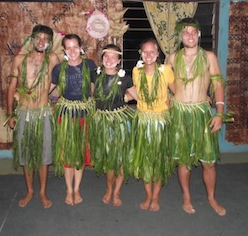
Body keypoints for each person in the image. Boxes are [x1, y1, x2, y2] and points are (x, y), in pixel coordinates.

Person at [167, 17, 227, 216]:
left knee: (208, 161)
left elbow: (217, 84)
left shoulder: (209, 57)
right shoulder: (172, 58)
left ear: (199, 34)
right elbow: (165, 83)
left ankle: (211, 197)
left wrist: (219, 112)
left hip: (202, 113)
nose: (190, 36)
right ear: (180, 35)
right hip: (180, 114)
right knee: (183, 160)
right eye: (186, 32)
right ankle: (186, 196)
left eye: (193, 32)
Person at [7, 24, 59, 209]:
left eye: (45, 38)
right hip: (24, 113)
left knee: (44, 156)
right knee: (27, 155)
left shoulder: (53, 59)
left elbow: (61, 81)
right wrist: (11, 114)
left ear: (50, 42)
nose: (41, 41)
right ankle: (29, 190)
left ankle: (42, 192)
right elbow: (12, 87)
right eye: (38, 37)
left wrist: (52, 98)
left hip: (43, 113)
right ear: (32, 38)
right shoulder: (20, 59)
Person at [130, 38, 175, 212]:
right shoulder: (136, 71)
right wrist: (134, 98)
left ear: (158, 54)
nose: (148, 55)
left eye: (152, 51)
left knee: (158, 160)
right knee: (146, 159)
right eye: (145, 51)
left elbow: (176, 91)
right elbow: (134, 89)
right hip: (143, 120)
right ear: (141, 54)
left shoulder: (166, 71)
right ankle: (148, 195)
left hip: (160, 121)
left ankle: (155, 197)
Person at [90, 44, 137, 207]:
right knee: (108, 159)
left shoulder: (125, 78)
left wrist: (126, 98)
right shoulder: (95, 75)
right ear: (102, 58)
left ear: (119, 60)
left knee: (120, 158)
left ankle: (116, 191)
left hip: (120, 121)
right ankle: (109, 189)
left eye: (113, 56)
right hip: (102, 121)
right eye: (106, 56)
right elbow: (92, 95)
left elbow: (137, 95)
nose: (109, 59)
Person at [51, 34, 96, 206]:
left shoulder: (89, 65)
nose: (72, 51)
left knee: (80, 155)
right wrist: (29, 97)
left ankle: (77, 188)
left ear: (81, 47)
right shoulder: (59, 69)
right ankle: (69, 190)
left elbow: (95, 85)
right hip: (66, 116)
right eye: (68, 47)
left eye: (75, 47)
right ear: (64, 50)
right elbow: (49, 87)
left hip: (84, 115)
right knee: (68, 155)